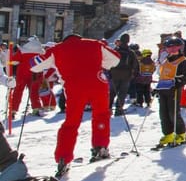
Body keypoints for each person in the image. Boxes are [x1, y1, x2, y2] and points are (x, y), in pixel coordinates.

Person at [31, 34, 120, 169]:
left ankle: (63, 157)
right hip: (97, 83)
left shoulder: (57, 49)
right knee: (101, 115)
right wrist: (100, 63)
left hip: (74, 88)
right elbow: (115, 59)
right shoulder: (95, 43)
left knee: (71, 122)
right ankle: (100, 146)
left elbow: (34, 65)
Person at [155, 37, 186, 147]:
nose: (172, 49)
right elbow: (162, 75)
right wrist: (157, 88)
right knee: (163, 113)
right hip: (164, 90)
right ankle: (168, 134)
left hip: (174, 89)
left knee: (173, 112)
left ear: (179, 47)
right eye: (169, 47)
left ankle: (181, 133)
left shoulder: (183, 61)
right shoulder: (165, 61)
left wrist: (178, 82)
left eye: (174, 47)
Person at [6, 37, 44, 117]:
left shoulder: (23, 51)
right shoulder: (41, 51)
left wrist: (9, 58)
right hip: (35, 73)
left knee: (18, 91)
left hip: (22, 74)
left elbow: (13, 61)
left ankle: (13, 110)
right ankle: (36, 108)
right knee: (34, 92)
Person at [109, 33, 139, 116]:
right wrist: (134, 74)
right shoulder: (131, 52)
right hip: (126, 75)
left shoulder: (115, 50)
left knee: (112, 92)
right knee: (122, 93)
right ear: (128, 41)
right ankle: (119, 110)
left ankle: (108, 108)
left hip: (114, 74)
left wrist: (109, 72)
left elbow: (109, 62)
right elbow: (135, 65)